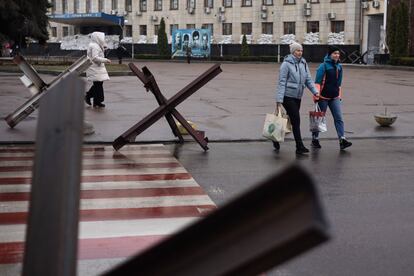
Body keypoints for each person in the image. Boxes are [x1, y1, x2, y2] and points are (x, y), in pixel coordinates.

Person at [275, 42, 319, 154]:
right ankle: (299, 146)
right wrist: (279, 100)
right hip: (287, 96)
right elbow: (281, 82)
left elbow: (308, 79)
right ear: (292, 52)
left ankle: (275, 137)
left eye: (301, 51)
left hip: (298, 96)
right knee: (296, 120)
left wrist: (315, 91)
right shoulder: (286, 64)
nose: (300, 53)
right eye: (297, 50)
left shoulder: (303, 63)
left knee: (290, 120)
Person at [312, 46, 352, 150]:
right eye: (334, 53)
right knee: (319, 118)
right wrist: (316, 96)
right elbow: (317, 82)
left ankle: (342, 139)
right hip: (322, 97)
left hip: (334, 97)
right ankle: (315, 139)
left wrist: (339, 96)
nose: (337, 55)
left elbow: (339, 83)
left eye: (338, 54)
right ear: (330, 54)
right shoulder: (323, 66)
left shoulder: (339, 67)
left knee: (339, 118)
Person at [85, 32, 111, 108]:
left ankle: (95, 100)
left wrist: (104, 47)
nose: (103, 39)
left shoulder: (95, 45)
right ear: (97, 38)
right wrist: (106, 60)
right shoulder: (94, 46)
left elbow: (98, 53)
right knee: (98, 85)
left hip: (97, 68)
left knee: (98, 84)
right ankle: (93, 99)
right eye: (101, 37)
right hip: (95, 68)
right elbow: (95, 58)